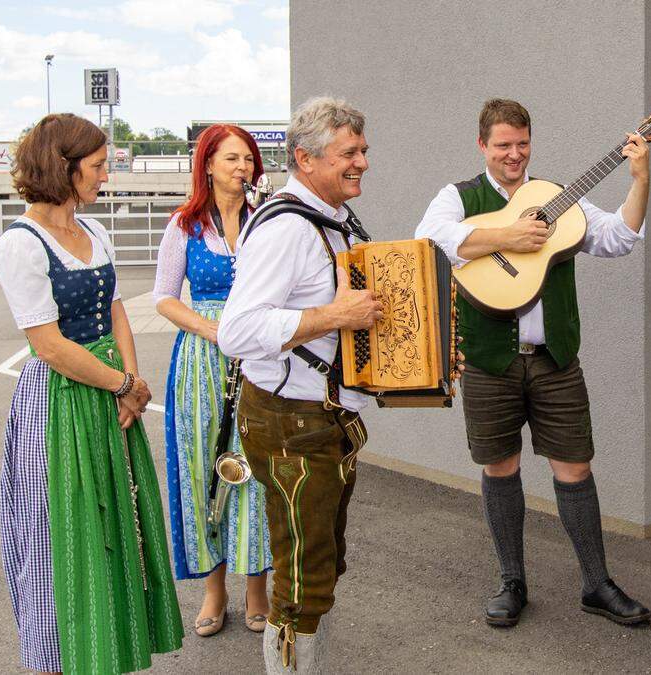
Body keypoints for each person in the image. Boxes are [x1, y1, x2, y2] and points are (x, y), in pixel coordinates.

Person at [415, 98, 651, 628]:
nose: (514, 155)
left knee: (575, 468)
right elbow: (427, 239)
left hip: (555, 359)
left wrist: (639, 182)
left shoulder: (555, 197)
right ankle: (512, 580)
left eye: (522, 144)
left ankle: (596, 583)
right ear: (482, 145)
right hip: (488, 360)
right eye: (503, 145)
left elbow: (617, 239)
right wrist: (505, 236)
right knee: (500, 467)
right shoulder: (459, 197)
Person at [0, 113, 183, 674]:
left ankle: (109, 649)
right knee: (62, 532)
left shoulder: (94, 232)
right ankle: (61, 657)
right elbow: (49, 346)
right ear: (64, 167)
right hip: (58, 402)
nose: (106, 176)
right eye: (98, 167)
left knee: (114, 525)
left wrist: (130, 380)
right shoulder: (20, 243)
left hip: (107, 393)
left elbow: (116, 308)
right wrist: (125, 384)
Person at [218, 97, 382, 674]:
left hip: (320, 419)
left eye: (363, 150)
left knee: (319, 567)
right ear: (304, 159)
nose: (362, 161)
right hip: (291, 421)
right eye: (349, 153)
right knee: (300, 580)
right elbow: (235, 331)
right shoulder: (287, 228)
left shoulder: (332, 218)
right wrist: (334, 317)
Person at [152, 124, 271, 637]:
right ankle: (214, 589)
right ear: (207, 165)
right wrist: (212, 329)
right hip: (202, 361)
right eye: (231, 159)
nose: (242, 167)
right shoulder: (185, 224)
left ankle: (258, 589)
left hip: (260, 360)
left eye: (248, 158)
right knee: (205, 469)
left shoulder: (266, 221)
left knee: (257, 469)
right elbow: (163, 296)